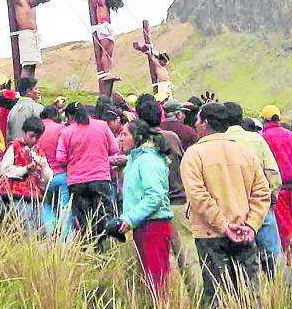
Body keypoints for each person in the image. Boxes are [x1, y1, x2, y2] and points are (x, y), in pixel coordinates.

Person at [181, 103, 270, 307]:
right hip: (244, 232)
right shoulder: (245, 153)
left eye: (197, 119)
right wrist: (251, 225)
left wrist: (223, 225)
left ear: (205, 123)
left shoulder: (195, 155)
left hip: (210, 234)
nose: (195, 123)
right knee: (250, 293)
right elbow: (262, 193)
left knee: (218, 295)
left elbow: (198, 196)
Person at [136, 99, 202, 293]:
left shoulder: (141, 142)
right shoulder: (172, 137)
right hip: (179, 202)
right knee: (188, 255)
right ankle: (200, 298)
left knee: (162, 261)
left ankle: (171, 301)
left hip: (152, 210)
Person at [224, 102, 290, 283]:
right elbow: (273, 173)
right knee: (273, 253)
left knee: (238, 261)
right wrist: (271, 198)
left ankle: (246, 300)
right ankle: (286, 294)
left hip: (230, 208)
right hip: (260, 205)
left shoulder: (219, 142)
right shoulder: (256, 139)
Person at [115, 119, 174, 297]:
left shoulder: (147, 160)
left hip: (154, 226)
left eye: (125, 134)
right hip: (144, 225)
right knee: (150, 278)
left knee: (157, 280)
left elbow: (155, 195)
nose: (120, 139)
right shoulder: (136, 159)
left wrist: (130, 218)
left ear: (138, 137)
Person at [55, 102, 119, 247]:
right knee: (102, 216)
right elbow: (114, 148)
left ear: (71, 116)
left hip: (77, 182)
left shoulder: (67, 132)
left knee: (84, 220)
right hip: (100, 179)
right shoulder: (102, 126)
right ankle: (104, 249)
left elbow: (60, 158)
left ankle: (90, 249)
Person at [260, 105, 292, 258]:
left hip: (279, 188)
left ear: (264, 119)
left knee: (285, 227)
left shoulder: (263, 137)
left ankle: (291, 259)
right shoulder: (289, 135)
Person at [0, 116, 53, 236]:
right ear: (23, 132)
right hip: (17, 196)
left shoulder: (38, 152)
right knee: (24, 231)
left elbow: (48, 177)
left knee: (40, 232)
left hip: (35, 197)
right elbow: (5, 170)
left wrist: (43, 167)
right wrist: (25, 169)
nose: (34, 140)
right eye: (31, 136)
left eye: (37, 137)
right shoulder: (15, 147)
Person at [0, 0, 48, 78]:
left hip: (34, 36)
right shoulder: (21, 2)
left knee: (33, 64)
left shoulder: (33, 7)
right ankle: (23, 87)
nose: (37, 5)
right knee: (27, 63)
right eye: (37, 2)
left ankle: (31, 86)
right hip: (25, 35)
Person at [37, 105, 72, 241]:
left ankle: (51, 236)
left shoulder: (36, 129)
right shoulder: (62, 129)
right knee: (65, 208)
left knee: (47, 206)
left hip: (43, 177)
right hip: (62, 174)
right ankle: (65, 241)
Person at [79, 0, 124, 87]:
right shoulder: (102, 1)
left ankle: (108, 71)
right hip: (102, 28)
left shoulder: (107, 6)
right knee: (105, 51)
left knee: (110, 52)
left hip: (108, 28)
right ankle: (105, 71)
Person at [6, 77, 44, 142]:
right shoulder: (37, 108)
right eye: (36, 88)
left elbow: (8, 135)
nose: (38, 91)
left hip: (14, 148)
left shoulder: (13, 110)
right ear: (29, 91)